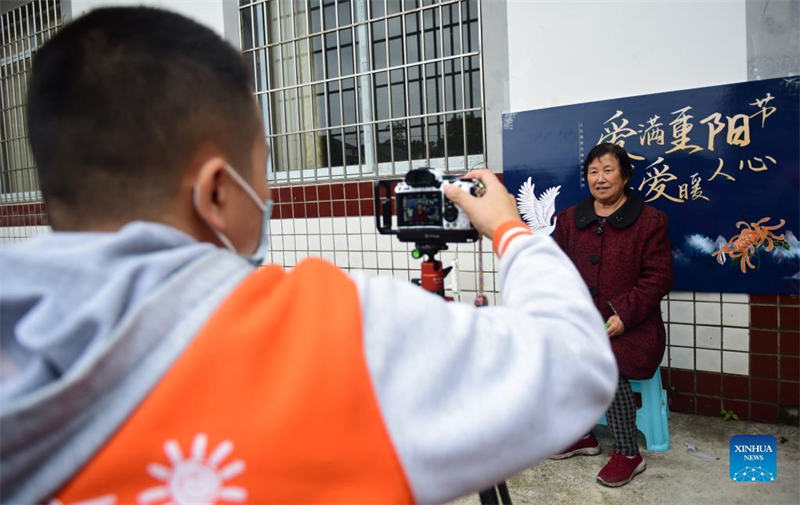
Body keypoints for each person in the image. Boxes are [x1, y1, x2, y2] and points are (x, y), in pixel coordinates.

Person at [0, 7, 617, 504]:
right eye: (262, 168)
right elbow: (575, 362)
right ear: (217, 192)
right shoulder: (336, 334)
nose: (265, 194)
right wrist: (510, 231)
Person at [550, 142, 674, 487]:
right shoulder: (569, 220)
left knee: (607, 362)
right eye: (593, 171)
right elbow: (554, 270)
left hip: (632, 327)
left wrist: (623, 315)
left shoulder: (650, 222)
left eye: (608, 170)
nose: (599, 179)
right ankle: (583, 435)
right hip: (582, 321)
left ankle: (628, 452)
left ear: (625, 176)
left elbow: (658, 278)